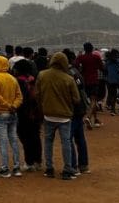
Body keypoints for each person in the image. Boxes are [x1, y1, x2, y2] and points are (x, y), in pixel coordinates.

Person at [37, 52, 81, 180]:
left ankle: (49, 169)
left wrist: (42, 107)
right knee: (66, 142)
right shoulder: (68, 78)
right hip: (64, 116)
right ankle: (67, 169)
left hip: (48, 114)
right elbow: (77, 99)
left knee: (48, 142)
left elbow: (38, 94)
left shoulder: (42, 75)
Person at [0, 55, 22, 178]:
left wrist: (7, 105)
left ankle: (4, 168)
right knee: (14, 140)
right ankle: (17, 167)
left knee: (2, 141)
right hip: (13, 113)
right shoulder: (13, 78)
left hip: (0, 112)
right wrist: (14, 105)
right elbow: (19, 96)